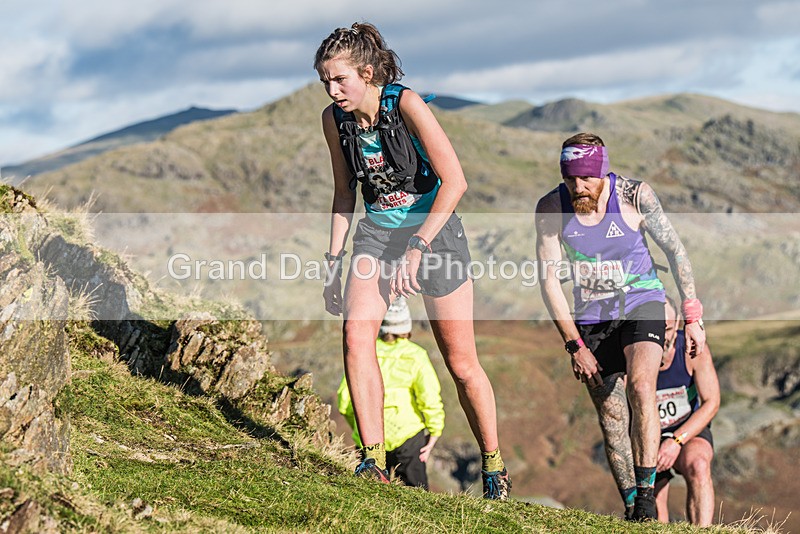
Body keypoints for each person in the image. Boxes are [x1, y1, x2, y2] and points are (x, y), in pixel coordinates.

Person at [315, 22, 510, 499]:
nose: (332, 89)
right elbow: (345, 192)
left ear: (365, 72)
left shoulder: (405, 102)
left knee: (461, 364)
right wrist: (334, 261)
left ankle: (493, 467)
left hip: (435, 233)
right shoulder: (333, 120)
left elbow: (455, 181)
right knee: (355, 336)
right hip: (378, 234)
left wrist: (419, 246)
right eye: (324, 81)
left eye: (339, 79)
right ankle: (373, 461)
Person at [535, 132, 706, 520]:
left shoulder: (633, 196)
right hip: (592, 317)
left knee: (642, 385)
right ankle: (632, 506)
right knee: (612, 417)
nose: (578, 187)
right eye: (570, 179)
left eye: (586, 179)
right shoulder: (551, 207)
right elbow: (549, 282)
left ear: (602, 173)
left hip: (642, 302)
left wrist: (692, 316)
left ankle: (647, 495)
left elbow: (675, 251)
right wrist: (574, 345)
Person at [337, 297, 444, 489]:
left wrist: (359, 426)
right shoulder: (416, 355)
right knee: (417, 497)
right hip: (409, 436)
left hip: (369, 437)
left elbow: (345, 399)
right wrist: (435, 431)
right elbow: (429, 396)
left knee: (370, 493)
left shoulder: (365, 352)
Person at [653, 296, 719, 525]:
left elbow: (711, 402)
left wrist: (676, 441)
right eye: (656, 329)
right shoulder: (633, 355)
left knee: (699, 465)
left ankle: (703, 529)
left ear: (679, 322)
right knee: (654, 501)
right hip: (647, 436)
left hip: (687, 431)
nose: (663, 337)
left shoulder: (692, 348)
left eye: (669, 328)